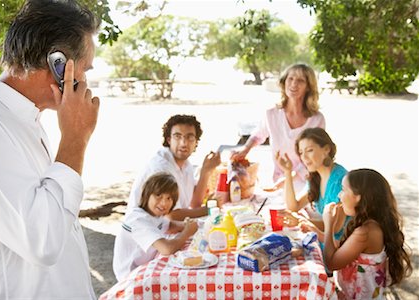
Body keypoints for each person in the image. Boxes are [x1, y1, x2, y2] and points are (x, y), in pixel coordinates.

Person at [0, 1, 99, 298]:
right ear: (57, 64)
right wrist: (75, 139)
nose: (87, 81)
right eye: (85, 69)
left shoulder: (23, 120)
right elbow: (42, 239)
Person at [232, 63, 326, 192]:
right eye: (290, 79)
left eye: (300, 81)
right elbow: (258, 135)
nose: (294, 84)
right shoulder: (271, 114)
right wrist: (245, 149)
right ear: (284, 82)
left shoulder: (317, 119)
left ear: (308, 87)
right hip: (278, 181)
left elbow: (316, 157)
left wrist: (287, 179)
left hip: (307, 184)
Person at [323, 169, 412, 299]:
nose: (339, 195)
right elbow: (344, 248)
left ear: (358, 197)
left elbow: (331, 263)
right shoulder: (371, 225)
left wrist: (328, 225)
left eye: (343, 190)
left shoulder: (365, 233)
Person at [125, 114, 221, 221]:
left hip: (164, 229)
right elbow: (171, 215)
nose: (183, 143)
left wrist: (206, 171)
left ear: (196, 142)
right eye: (177, 136)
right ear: (169, 140)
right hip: (143, 231)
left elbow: (195, 203)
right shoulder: (161, 167)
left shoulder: (185, 164)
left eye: (190, 137)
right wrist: (209, 209)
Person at [113, 172, 198, 282]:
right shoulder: (137, 220)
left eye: (169, 198)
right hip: (131, 277)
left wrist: (189, 225)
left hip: (146, 266)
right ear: (147, 194)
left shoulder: (155, 214)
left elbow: (171, 226)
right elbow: (167, 249)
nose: (163, 203)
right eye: (159, 196)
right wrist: (186, 232)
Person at [275, 127, 348, 245]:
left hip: (339, 246)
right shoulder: (316, 176)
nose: (304, 157)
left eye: (309, 150)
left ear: (326, 150)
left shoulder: (340, 180)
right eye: (301, 152)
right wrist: (287, 172)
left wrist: (301, 221)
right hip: (323, 240)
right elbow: (294, 206)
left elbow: (336, 227)